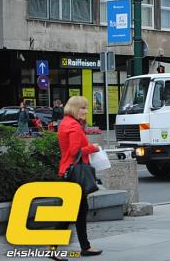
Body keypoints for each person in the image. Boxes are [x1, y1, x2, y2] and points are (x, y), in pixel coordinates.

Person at [52, 96, 102, 260]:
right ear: (74, 108)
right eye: (83, 108)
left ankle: (85, 246)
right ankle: (53, 249)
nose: (86, 111)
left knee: (81, 210)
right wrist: (93, 148)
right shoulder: (73, 126)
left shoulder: (65, 122)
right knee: (71, 212)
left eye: (86, 108)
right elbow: (75, 152)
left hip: (68, 172)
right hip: (75, 174)